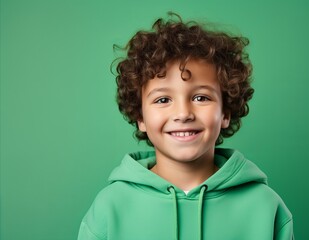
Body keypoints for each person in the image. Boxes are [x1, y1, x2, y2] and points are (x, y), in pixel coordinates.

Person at [77, 13, 294, 240]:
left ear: (225, 112)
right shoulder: (110, 207)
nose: (183, 114)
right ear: (140, 117)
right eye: (163, 100)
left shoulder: (265, 207)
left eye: (201, 98)